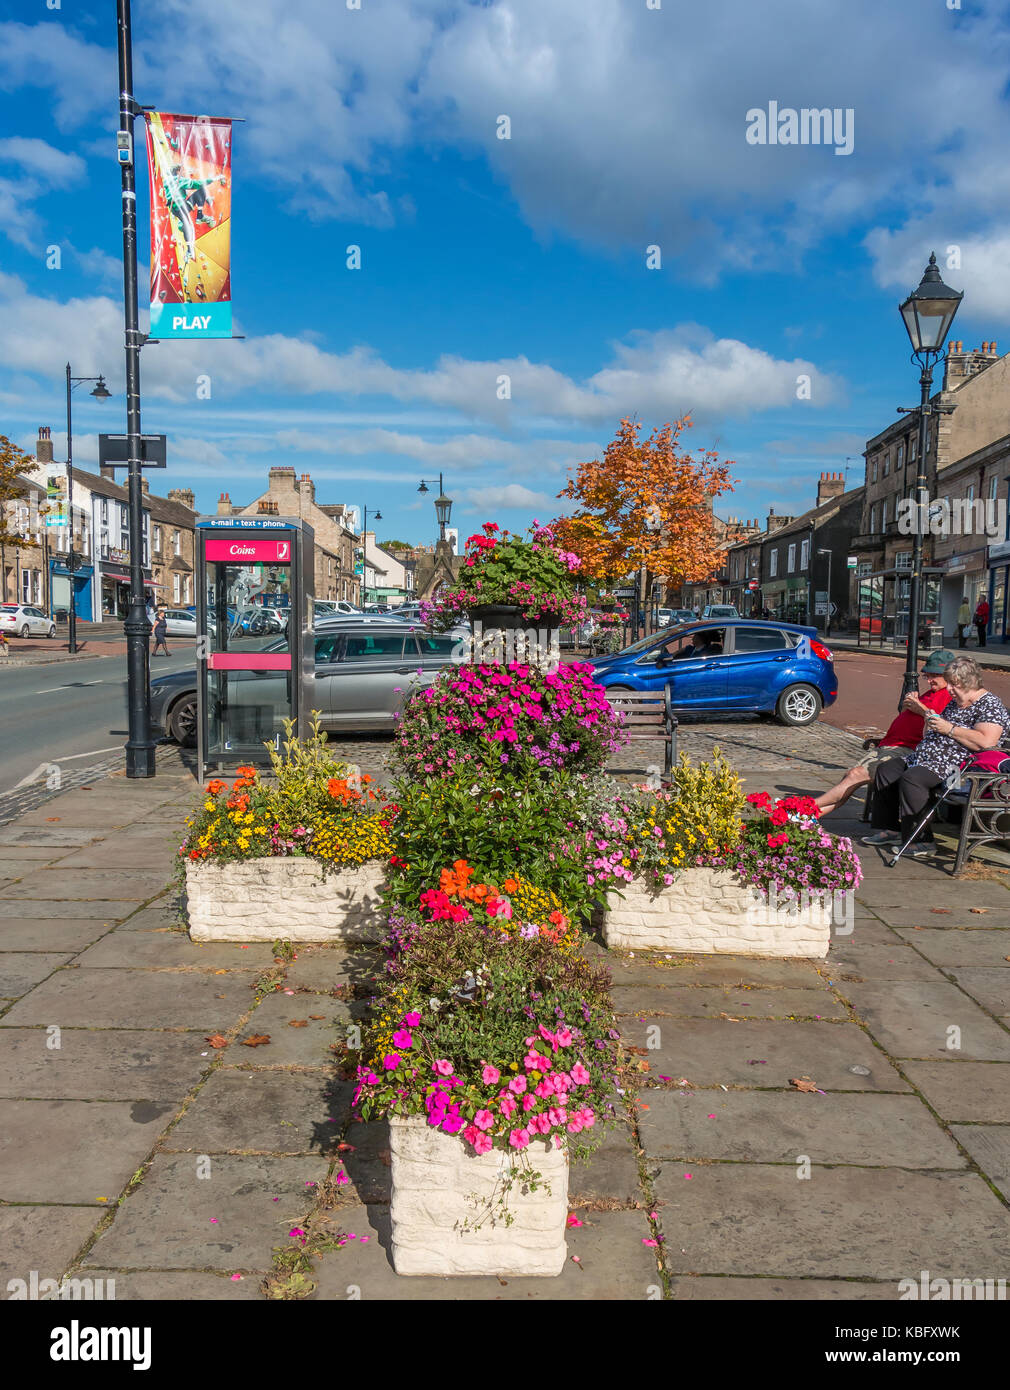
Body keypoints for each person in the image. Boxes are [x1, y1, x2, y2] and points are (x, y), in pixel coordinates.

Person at [862, 656, 1010, 858]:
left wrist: (949, 729)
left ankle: (922, 841)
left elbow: (986, 742)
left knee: (913, 779)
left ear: (969, 683)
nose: (949, 689)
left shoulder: (989, 705)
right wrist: (931, 722)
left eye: (954, 685)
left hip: (961, 768)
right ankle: (891, 829)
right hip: (929, 758)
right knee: (886, 770)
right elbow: (935, 732)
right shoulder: (957, 702)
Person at [813, 650, 954, 814]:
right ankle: (808, 815)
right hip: (891, 744)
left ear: (948, 675)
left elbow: (939, 724)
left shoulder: (951, 696)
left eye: (933, 676)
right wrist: (909, 707)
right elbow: (910, 718)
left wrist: (919, 708)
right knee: (851, 777)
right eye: (926, 675)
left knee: (854, 776)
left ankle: (804, 807)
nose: (929, 680)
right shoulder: (933, 692)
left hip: (905, 748)